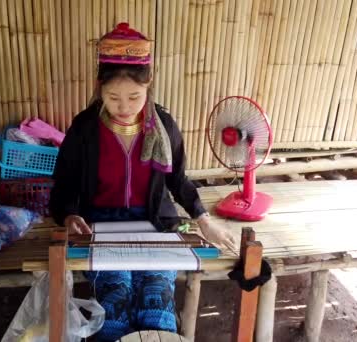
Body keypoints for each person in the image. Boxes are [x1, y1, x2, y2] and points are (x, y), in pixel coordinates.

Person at [50, 22, 235, 342]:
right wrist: (69, 215)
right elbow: (63, 185)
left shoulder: (162, 125)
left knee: (157, 311)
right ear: (99, 88)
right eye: (113, 97)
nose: (124, 108)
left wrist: (204, 220)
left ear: (149, 86)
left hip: (156, 224)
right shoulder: (84, 129)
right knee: (114, 310)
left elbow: (177, 180)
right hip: (100, 225)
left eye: (134, 97)